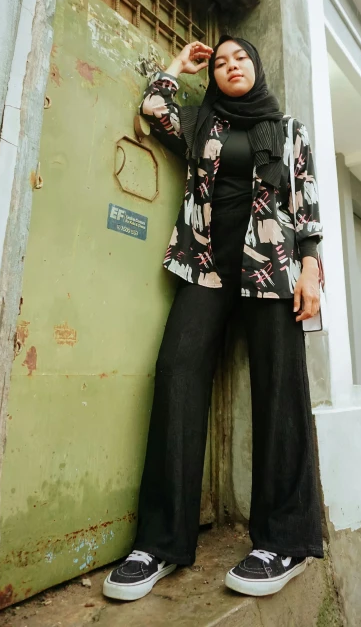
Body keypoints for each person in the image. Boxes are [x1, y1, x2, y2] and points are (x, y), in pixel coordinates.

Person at [103, 35, 324, 602]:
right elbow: (155, 108)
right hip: (205, 266)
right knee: (177, 374)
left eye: (241, 58)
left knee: (280, 394)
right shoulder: (203, 124)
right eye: (221, 62)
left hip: (271, 270)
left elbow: (307, 205)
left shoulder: (289, 129)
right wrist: (179, 65)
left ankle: (283, 541)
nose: (231, 66)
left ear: (258, 66)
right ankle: (159, 543)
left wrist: (310, 270)